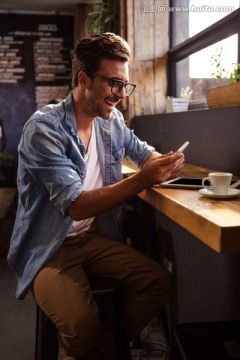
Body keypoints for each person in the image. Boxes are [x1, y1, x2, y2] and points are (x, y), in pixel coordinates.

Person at [8, 33, 184, 360]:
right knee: (82, 325)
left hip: (91, 238)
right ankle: (97, 349)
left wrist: (164, 162)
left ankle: (100, 353)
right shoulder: (44, 128)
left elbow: (144, 153)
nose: (121, 95)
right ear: (84, 78)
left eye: (125, 85)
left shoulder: (111, 121)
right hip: (48, 247)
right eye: (114, 83)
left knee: (158, 282)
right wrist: (144, 178)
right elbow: (75, 205)